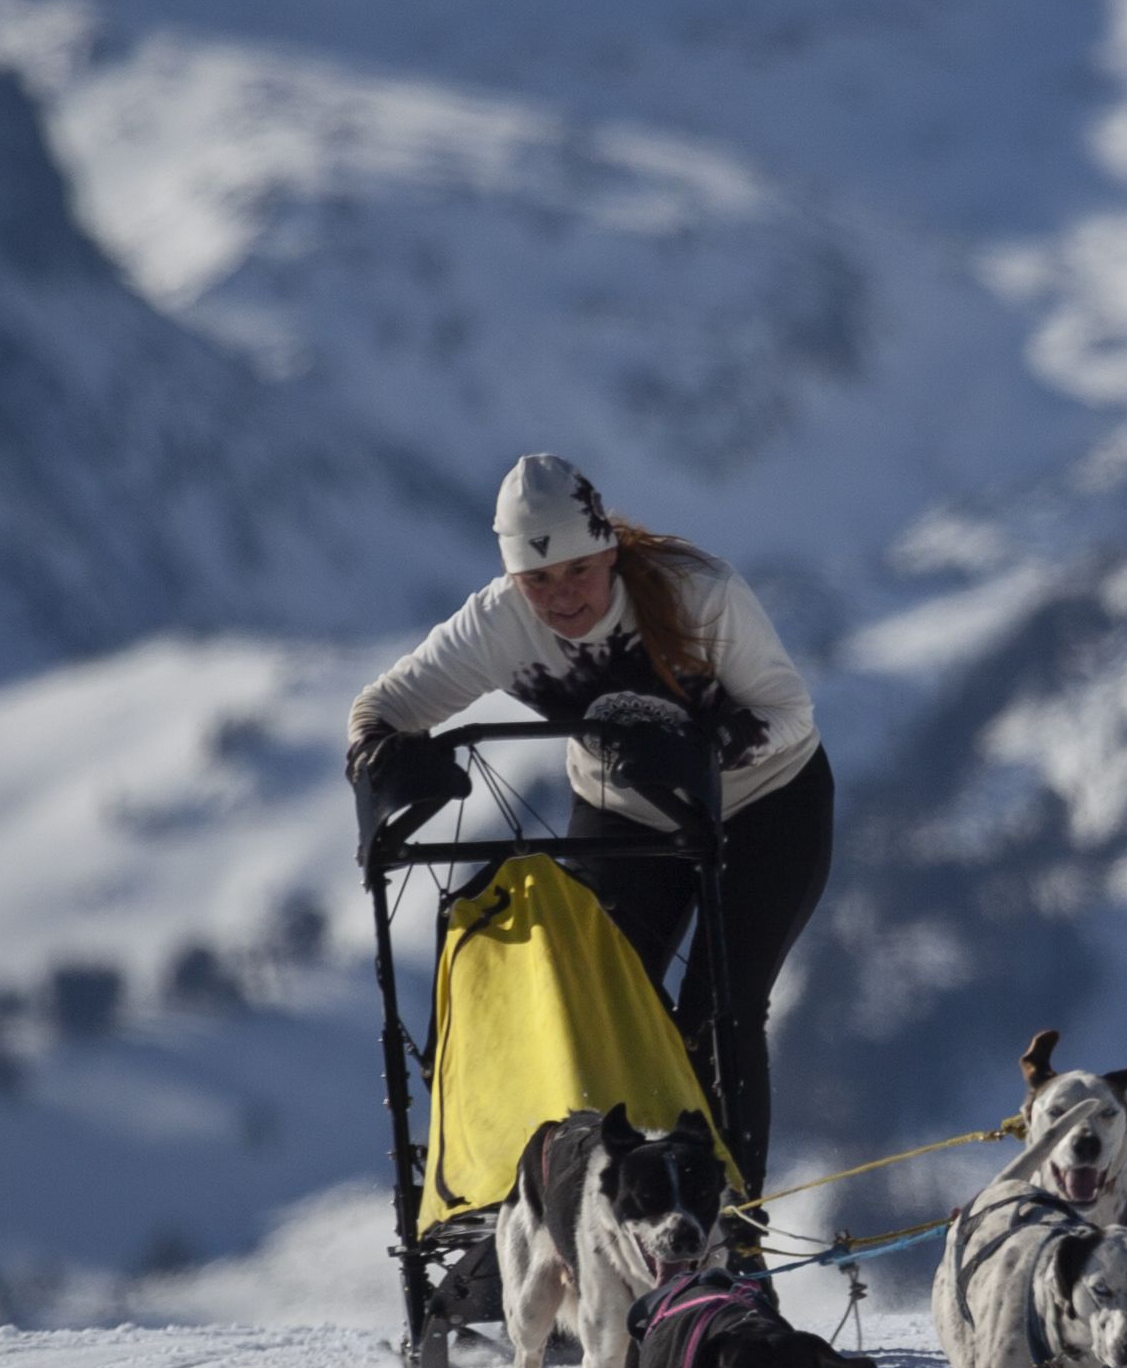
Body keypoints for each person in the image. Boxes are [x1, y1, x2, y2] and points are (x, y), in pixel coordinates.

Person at [348, 453, 830, 1190]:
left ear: (607, 550)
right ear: (513, 579)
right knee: (602, 1005)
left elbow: (789, 715)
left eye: (576, 570)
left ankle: (732, 1225)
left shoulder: (697, 592)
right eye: (536, 580)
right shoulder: (498, 624)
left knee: (720, 1015)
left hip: (768, 801)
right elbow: (377, 710)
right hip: (625, 811)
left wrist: (703, 751)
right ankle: (620, 1209)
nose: (560, 595)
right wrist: (387, 762)